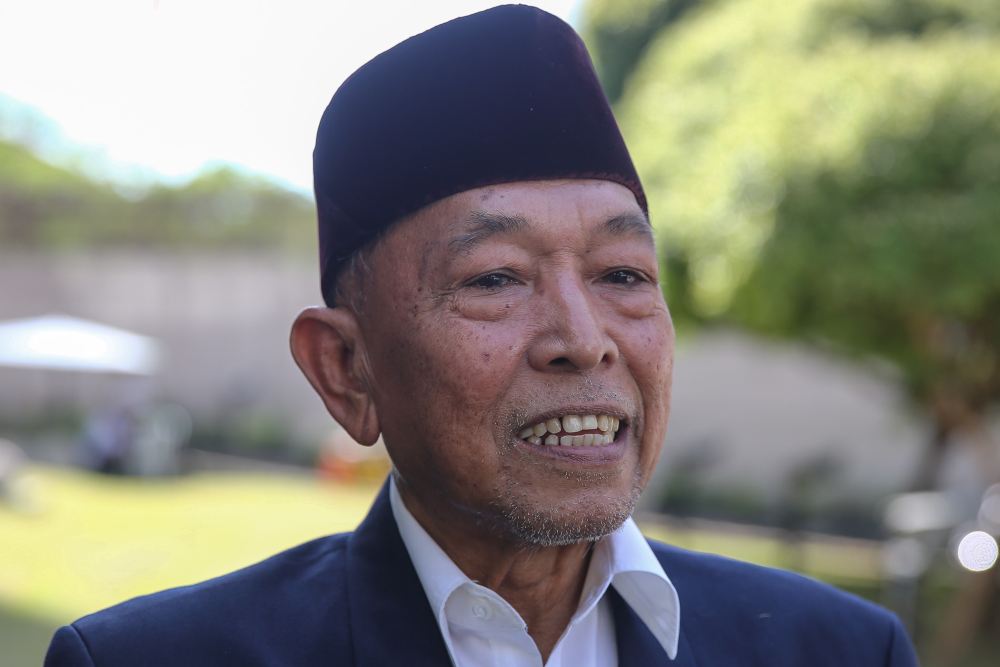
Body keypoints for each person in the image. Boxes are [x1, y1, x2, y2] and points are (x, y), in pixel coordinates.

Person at [45, 5, 918, 666]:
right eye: (495, 278)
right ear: (346, 368)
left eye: (623, 275)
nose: (585, 340)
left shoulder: (835, 647)